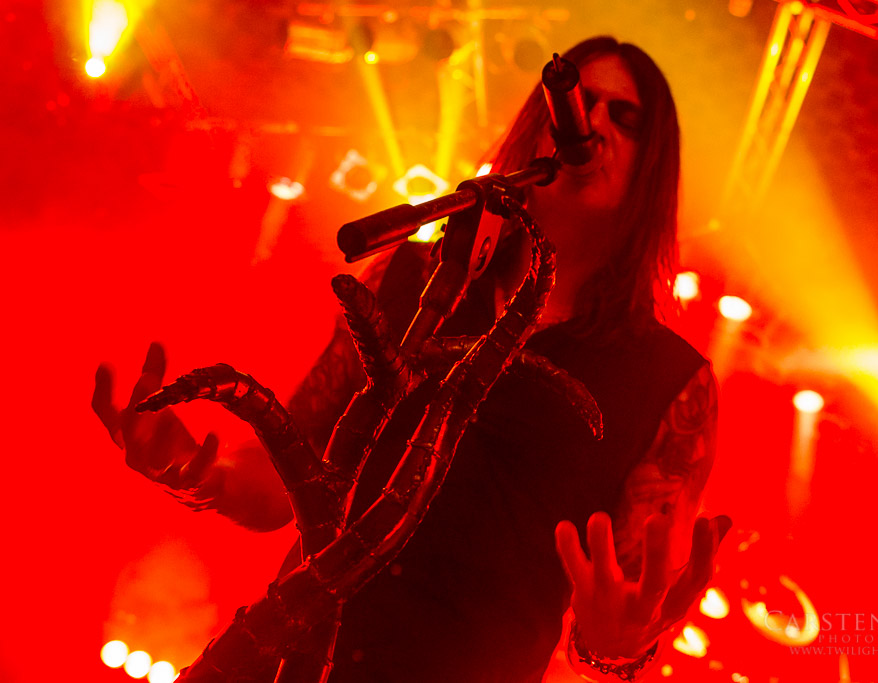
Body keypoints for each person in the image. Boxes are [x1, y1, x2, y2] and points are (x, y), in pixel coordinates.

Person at [92, 36, 729, 682]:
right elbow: (291, 474)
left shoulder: (669, 381)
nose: (589, 123)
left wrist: (616, 645)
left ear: (653, 165)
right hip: (286, 659)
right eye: (575, 101)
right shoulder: (419, 277)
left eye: (624, 116)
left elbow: (623, 616)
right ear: (538, 132)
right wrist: (202, 476)